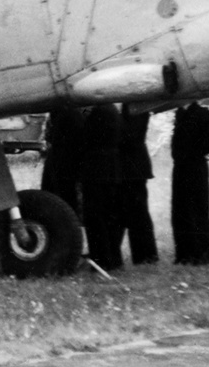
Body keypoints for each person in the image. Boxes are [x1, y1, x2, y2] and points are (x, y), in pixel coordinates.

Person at [171, 100, 209, 265]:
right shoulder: (181, 113)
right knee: (181, 211)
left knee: (197, 210)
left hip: (195, 168)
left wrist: (197, 152)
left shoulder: (201, 113)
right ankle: (184, 254)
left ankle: (200, 255)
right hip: (181, 168)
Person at [77, 104, 123, 269]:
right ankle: (114, 258)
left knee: (95, 216)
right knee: (110, 215)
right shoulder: (112, 110)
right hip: (111, 167)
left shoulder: (97, 112)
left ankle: (101, 259)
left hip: (96, 168)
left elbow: (86, 137)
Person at [116, 104, 157, 264]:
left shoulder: (136, 107)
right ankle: (143, 255)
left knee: (138, 214)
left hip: (133, 169)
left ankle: (146, 256)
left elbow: (130, 136)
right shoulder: (129, 107)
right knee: (127, 213)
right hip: (128, 168)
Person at [40, 107, 85, 220]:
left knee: (61, 194)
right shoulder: (74, 113)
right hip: (66, 160)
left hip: (60, 159)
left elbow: (50, 136)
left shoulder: (62, 112)